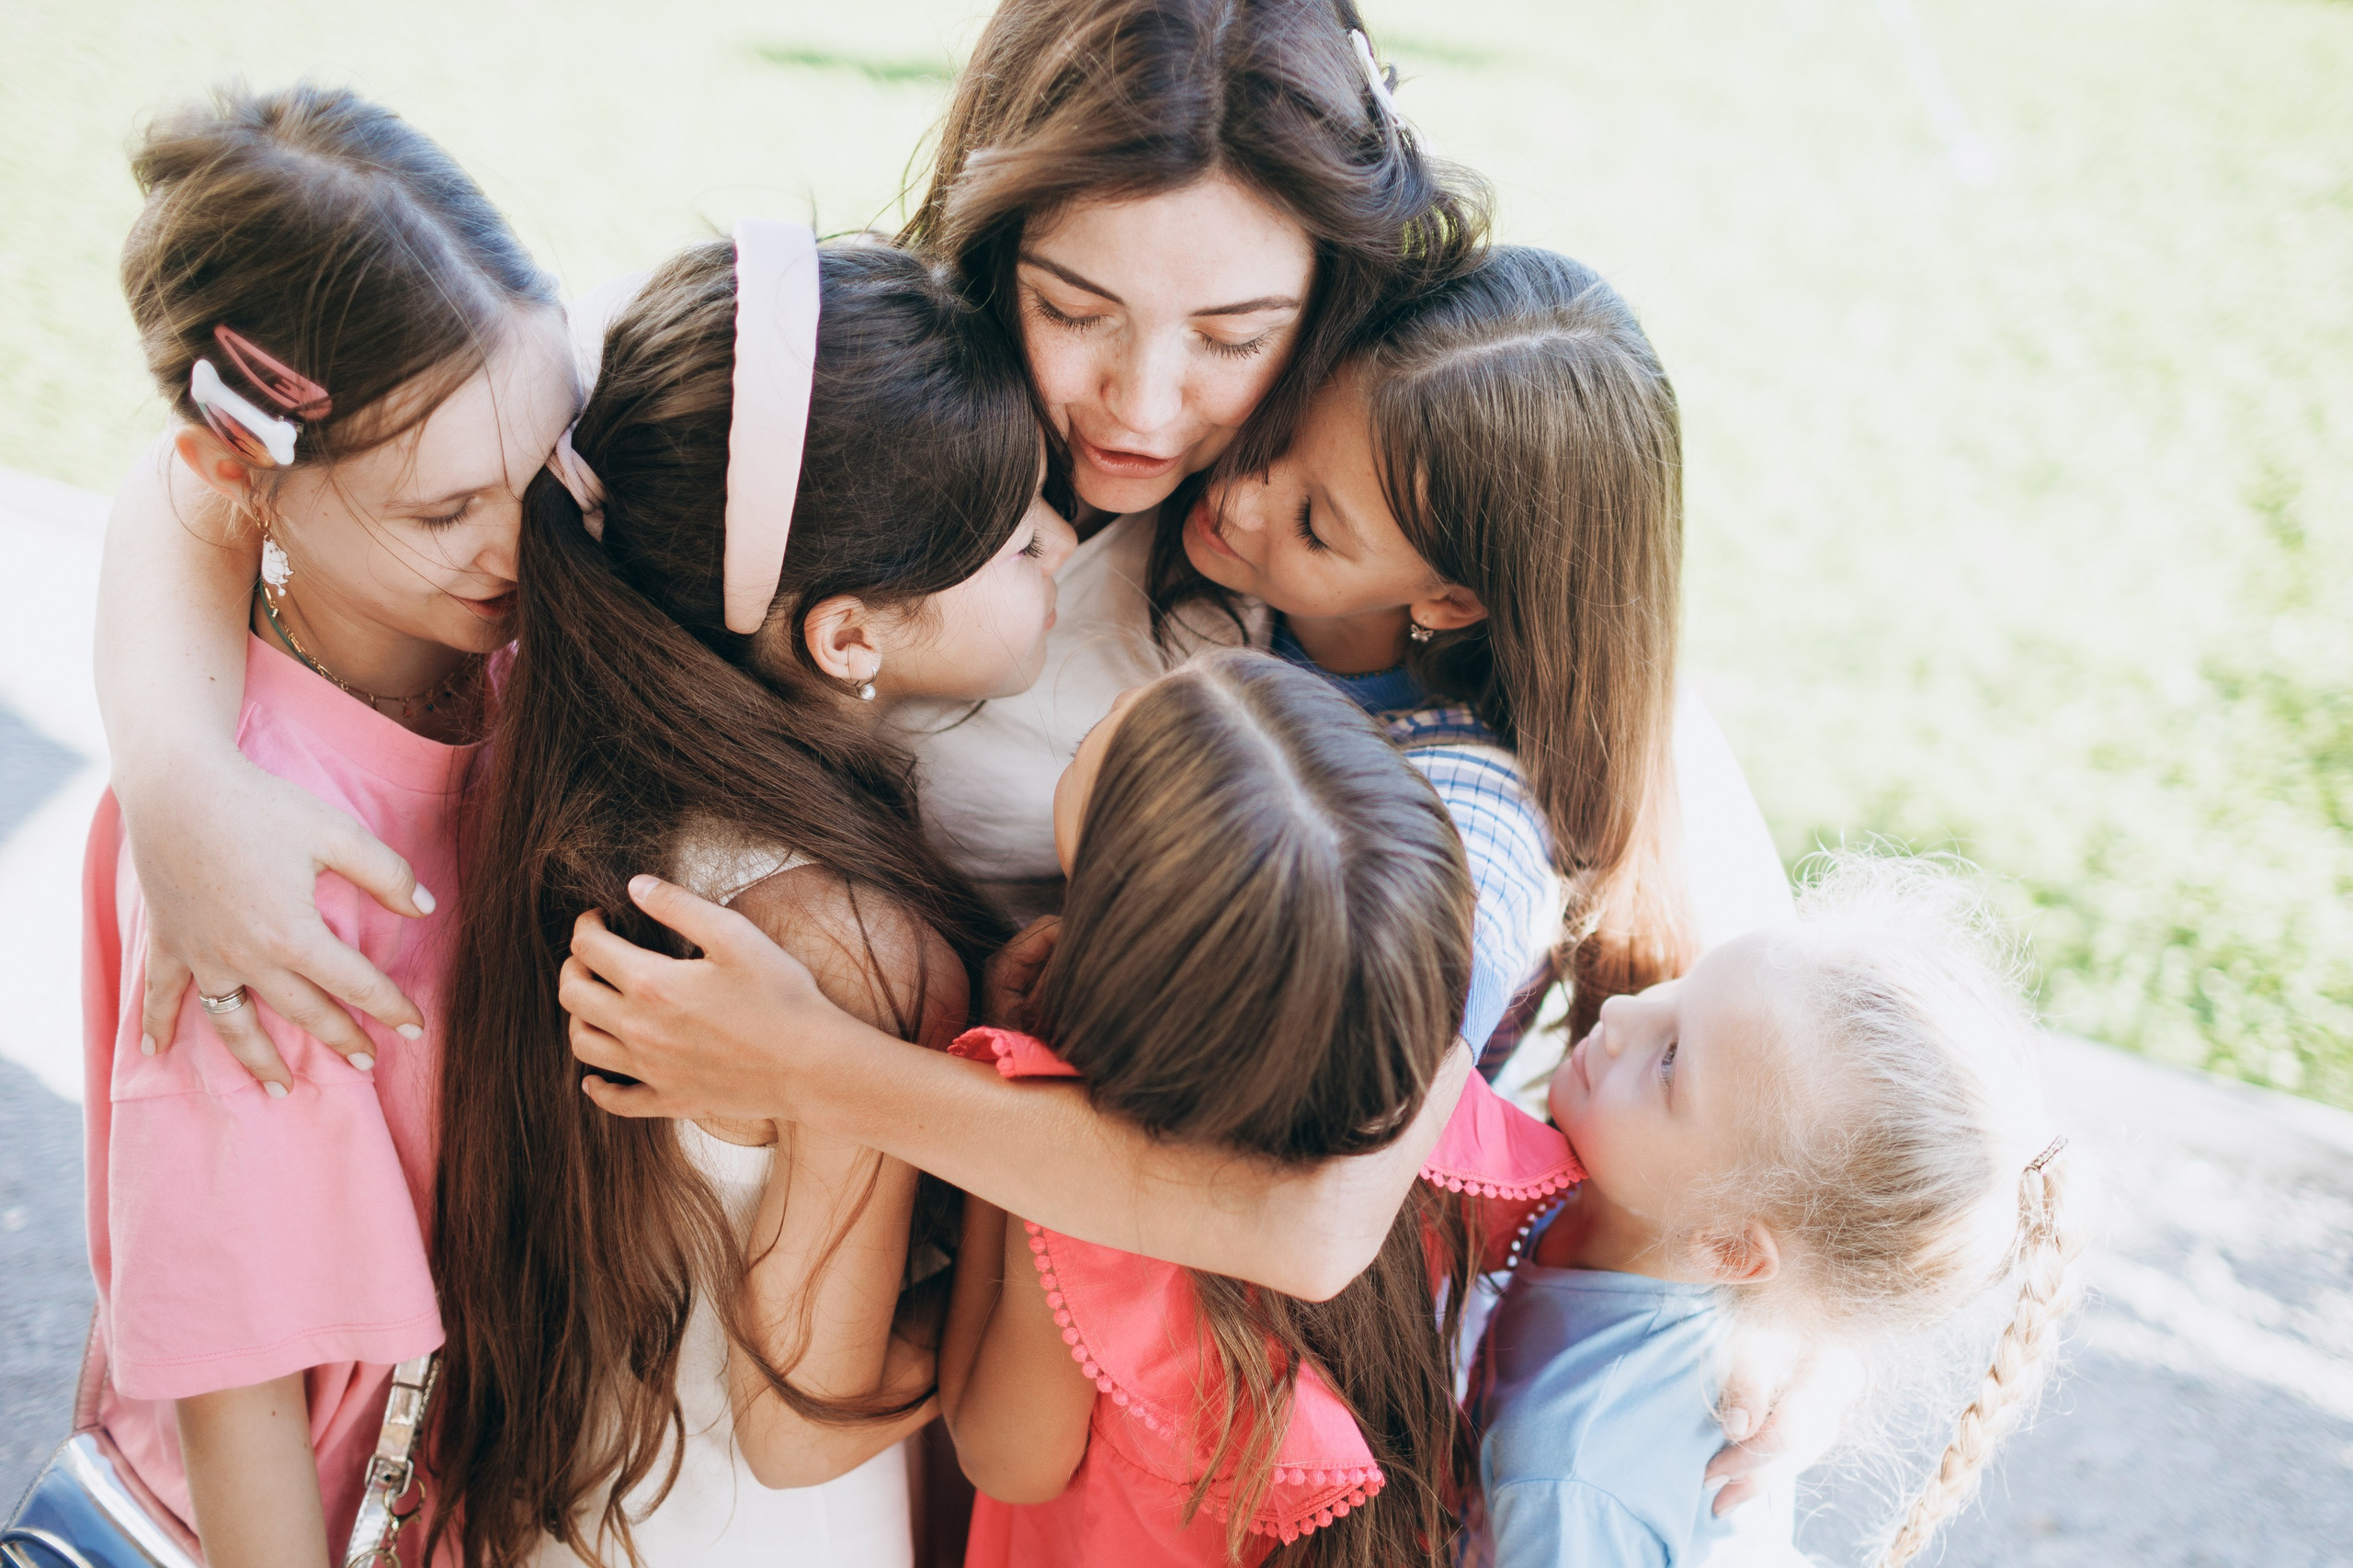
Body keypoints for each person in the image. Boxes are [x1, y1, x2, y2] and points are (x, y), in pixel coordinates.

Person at [81, 82, 572, 1562]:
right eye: (444, 511)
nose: (522, 542)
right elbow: (235, 1379)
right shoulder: (252, 867)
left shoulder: (503, 644)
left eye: (544, 465)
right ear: (245, 479)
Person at [936, 651, 1478, 1567]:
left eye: (1111, 741)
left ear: (1127, 918)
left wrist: (1013, 1113)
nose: (1122, 695)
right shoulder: (1397, 1074)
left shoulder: (1078, 1151)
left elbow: (1005, 1456)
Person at [1465, 856, 2082, 1568]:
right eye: (1686, 986)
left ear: (1730, 1248)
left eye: (1670, 1061)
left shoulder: (1571, 1475)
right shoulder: (1655, 1226)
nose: (1618, 1012)